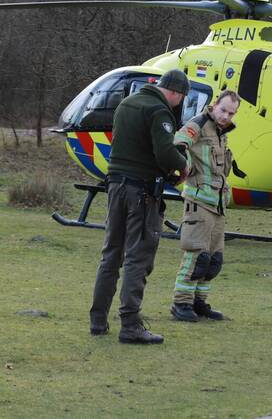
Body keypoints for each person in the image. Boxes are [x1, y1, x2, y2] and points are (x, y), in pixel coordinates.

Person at [89, 69, 190, 344]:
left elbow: (133, 147)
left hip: (115, 186)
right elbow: (165, 152)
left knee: (111, 254)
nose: (179, 102)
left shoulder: (126, 104)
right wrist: (184, 166)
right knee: (138, 256)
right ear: (176, 92)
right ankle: (130, 324)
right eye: (181, 97)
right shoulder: (159, 111)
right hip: (142, 192)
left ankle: (98, 320)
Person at [169, 89, 240, 322]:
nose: (226, 116)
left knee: (213, 259)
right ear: (214, 105)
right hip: (198, 201)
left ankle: (199, 302)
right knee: (196, 255)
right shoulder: (197, 123)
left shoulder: (222, 132)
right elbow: (179, 144)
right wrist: (185, 166)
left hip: (218, 203)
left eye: (231, 113)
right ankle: (181, 303)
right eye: (223, 110)